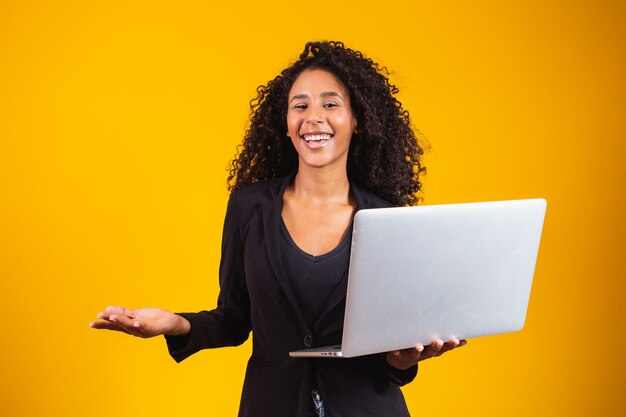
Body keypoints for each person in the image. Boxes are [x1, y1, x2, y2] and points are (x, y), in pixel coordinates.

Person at [90, 41, 466, 417]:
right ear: (285, 124)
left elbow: (390, 345)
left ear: (358, 120)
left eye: (330, 104)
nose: (313, 117)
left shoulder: (388, 219)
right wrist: (176, 323)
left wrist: (402, 361)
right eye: (300, 105)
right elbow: (235, 320)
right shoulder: (249, 208)